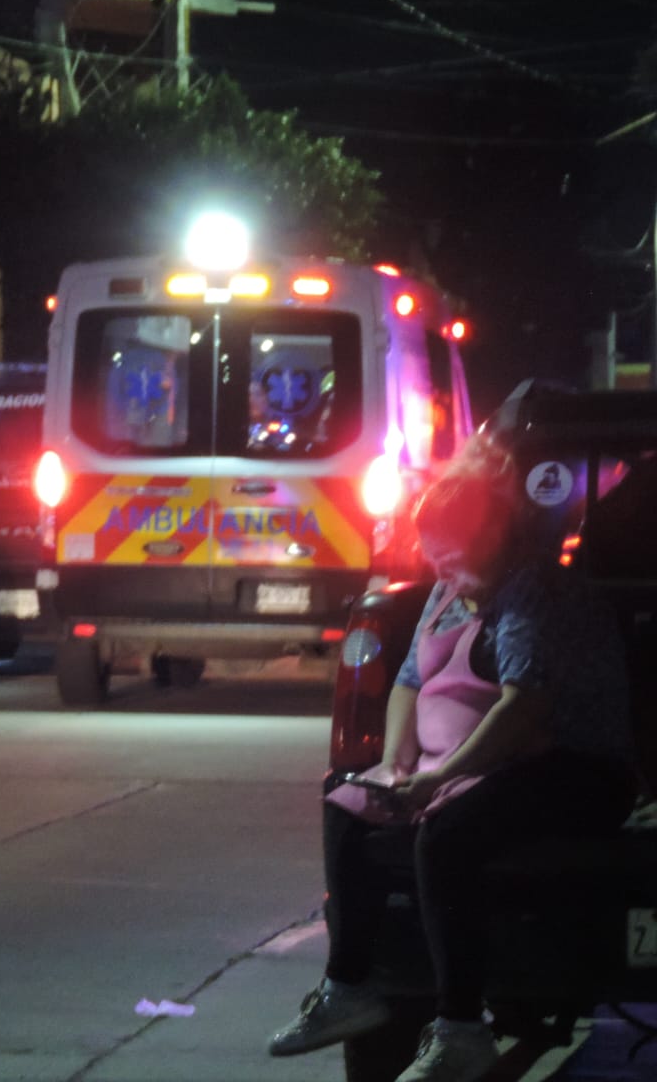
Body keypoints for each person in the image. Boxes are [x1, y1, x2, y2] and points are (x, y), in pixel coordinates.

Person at [268, 433, 639, 1082]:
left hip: (569, 766)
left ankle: (462, 1029)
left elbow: (522, 709)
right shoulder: (449, 592)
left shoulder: (532, 593)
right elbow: (409, 680)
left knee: (447, 835)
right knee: (346, 804)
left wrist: (441, 777)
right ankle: (349, 988)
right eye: (434, 554)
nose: (443, 568)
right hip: (471, 765)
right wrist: (394, 766)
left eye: (453, 553)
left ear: (492, 533)